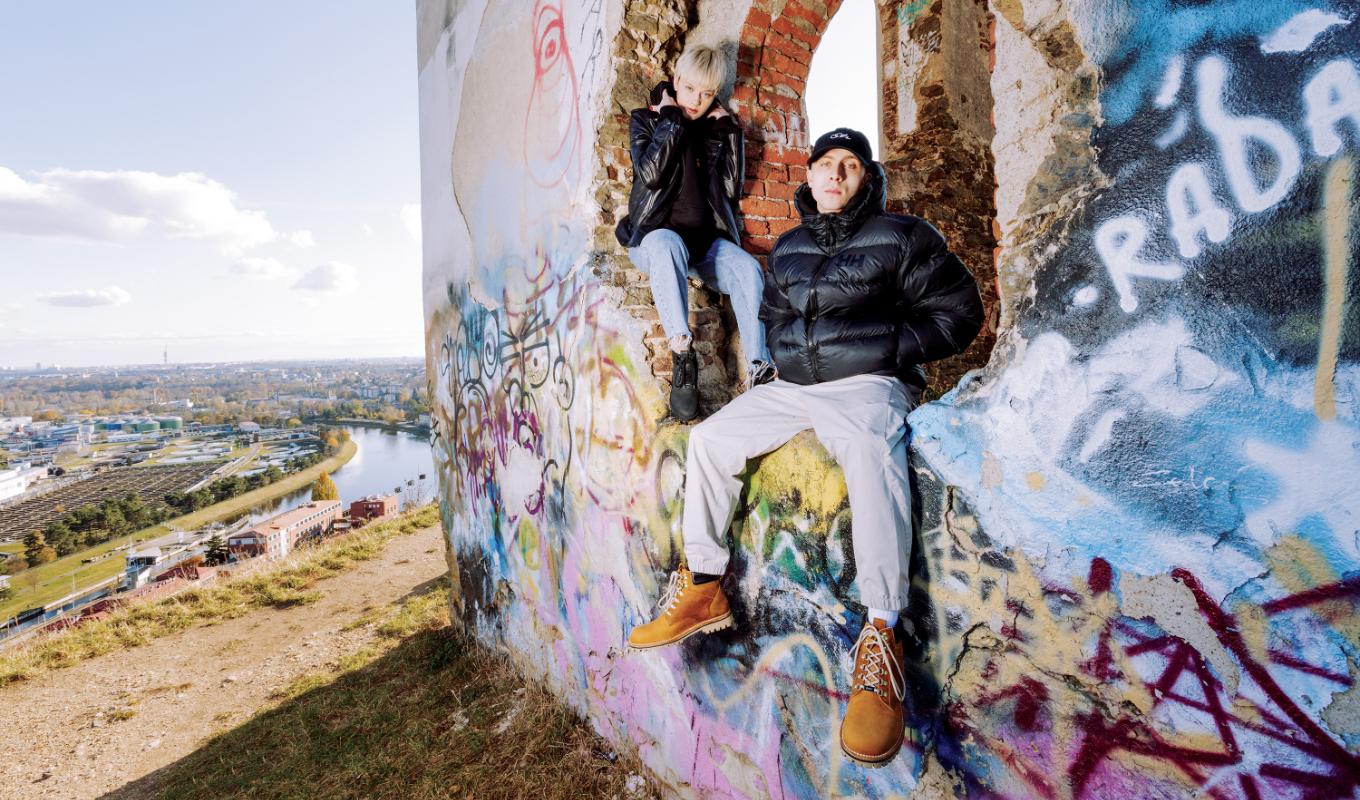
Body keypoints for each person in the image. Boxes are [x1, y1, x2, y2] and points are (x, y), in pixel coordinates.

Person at [626, 128, 985, 767]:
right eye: (826, 165)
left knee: (871, 451)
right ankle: (703, 584)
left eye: (851, 165)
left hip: (868, 383)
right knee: (709, 439)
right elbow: (772, 319)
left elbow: (959, 313)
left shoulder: (904, 235)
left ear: (867, 178)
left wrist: (884, 351)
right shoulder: (789, 247)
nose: (836, 175)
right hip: (793, 388)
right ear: (810, 176)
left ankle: (881, 637)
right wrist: (782, 365)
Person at [615, 44, 775, 422]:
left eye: (706, 94)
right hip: (654, 239)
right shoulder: (647, 120)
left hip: (703, 246)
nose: (696, 101)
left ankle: (760, 371)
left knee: (748, 268)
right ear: (676, 81)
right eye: (689, 89)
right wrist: (670, 118)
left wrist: (728, 131)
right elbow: (651, 175)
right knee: (667, 242)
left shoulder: (711, 130)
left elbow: (732, 189)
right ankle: (682, 356)